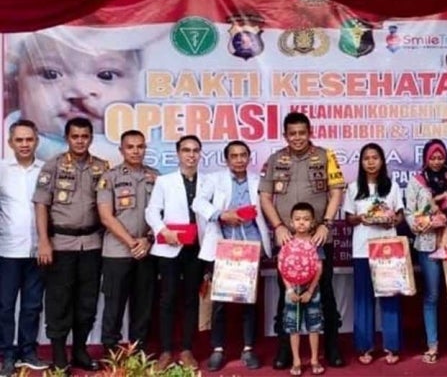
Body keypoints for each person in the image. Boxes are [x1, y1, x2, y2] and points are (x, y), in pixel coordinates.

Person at [259, 112, 345, 369]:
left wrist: (326, 224)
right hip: (288, 240)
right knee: (286, 295)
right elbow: (265, 197)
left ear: (310, 132)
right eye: (292, 133)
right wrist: (277, 226)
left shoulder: (325, 156)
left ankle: (332, 349)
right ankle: (285, 351)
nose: (298, 137)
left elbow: (336, 191)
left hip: (317, 238)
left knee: (325, 294)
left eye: (302, 132)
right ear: (285, 135)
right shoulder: (275, 159)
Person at [33, 117, 110, 373]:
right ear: (67, 138)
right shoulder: (53, 166)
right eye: (75, 136)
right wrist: (44, 241)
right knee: (59, 301)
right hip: (61, 244)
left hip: (92, 244)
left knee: (87, 302)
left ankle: (80, 351)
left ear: (91, 138)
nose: (80, 141)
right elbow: (41, 204)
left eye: (85, 136)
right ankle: (58, 355)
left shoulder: (102, 167)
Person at [193, 140, 273, 372]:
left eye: (243, 155)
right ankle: (218, 349)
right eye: (234, 156)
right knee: (220, 302)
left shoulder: (258, 181)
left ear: (249, 158)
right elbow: (198, 202)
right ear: (226, 160)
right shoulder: (214, 179)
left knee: (249, 301)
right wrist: (220, 214)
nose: (239, 159)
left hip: (250, 246)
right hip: (223, 247)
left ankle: (248, 349)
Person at [6, 33, 142, 160]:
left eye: (106, 75)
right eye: (50, 74)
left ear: (137, 85)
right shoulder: (6, 143)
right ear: (15, 83)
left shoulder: (153, 143)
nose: (80, 91)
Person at [145, 135, 208, 370]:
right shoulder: (165, 181)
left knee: (191, 299)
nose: (191, 155)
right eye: (186, 150)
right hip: (169, 247)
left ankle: (187, 349)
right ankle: (165, 351)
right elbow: (152, 212)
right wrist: (163, 230)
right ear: (178, 154)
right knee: (168, 299)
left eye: (195, 150)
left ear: (200, 154)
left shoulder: (208, 182)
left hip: (197, 248)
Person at [404, 139, 447, 365]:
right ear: (425, 158)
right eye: (432, 157)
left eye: (440, 157)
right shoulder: (417, 182)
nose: (436, 161)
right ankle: (432, 346)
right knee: (431, 296)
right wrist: (429, 222)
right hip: (427, 245)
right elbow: (410, 215)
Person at [97, 130, 158, 355]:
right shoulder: (109, 177)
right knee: (114, 305)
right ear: (121, 150)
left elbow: (163, 213)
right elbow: (106, 216)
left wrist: (148, 239)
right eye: (130, 147)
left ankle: (138, 351)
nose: (135, 151)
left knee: (143, 305)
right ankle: (111, 352)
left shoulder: (156, 176)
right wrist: (133, 243)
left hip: (147, 250)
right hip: (117, 252)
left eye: (140, 146)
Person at [343, 143, 404, 366]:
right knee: (363, 300)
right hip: (361, 249)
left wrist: (392, 220)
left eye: (375, 157)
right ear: (361, 162)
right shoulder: (352, 188)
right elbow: (349, 219)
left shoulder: (392, 187)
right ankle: (365, 346)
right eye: (366, 158)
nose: (370, 161)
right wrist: (362, 218)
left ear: (382, 161)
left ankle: (392, 345)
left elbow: (399, 216)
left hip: (388, 248)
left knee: (389, 297)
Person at [0, 120, 48, 375]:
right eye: (19, 140)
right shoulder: (1, 170)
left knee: (32, 306)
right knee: (5, 306)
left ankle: (27, 351)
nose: (25, 144)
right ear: (10, 143)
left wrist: (46, 241)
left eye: (29, 139)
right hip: (7, 250)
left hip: (38, 250)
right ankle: (7, 354)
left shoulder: (46, 170)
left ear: (36, 141)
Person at [281, 203, 325, 377]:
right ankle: (296, 361)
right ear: (291, 222)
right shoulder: (287, 242)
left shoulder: (316, 242)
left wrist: (310, 291)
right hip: (292, 290)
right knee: (294, 327)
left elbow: (319, 268)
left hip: (311, 290)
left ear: (313, 222)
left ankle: (314, 359)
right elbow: (281, 266)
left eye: (306, 219)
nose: (301, 223)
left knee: (314, 325)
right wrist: (290, 290)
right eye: (297, 219)